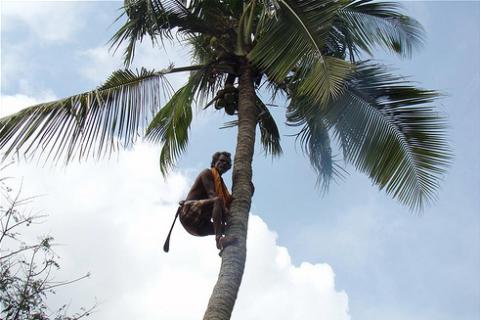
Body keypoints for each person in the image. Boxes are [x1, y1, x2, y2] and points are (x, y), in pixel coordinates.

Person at [163, 151, 236, 253]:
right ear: (214, 162)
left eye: (227, 164)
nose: (224, 164)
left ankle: (224, 248)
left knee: (229, 229)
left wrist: (248, 190)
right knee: (218, 201)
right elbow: (213, 196)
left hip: (199, 226)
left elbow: (227, 201)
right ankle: (219, 239)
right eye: (222, 161)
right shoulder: (207, 173)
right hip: (188, 214)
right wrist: (226, 212)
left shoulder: (221, 185)